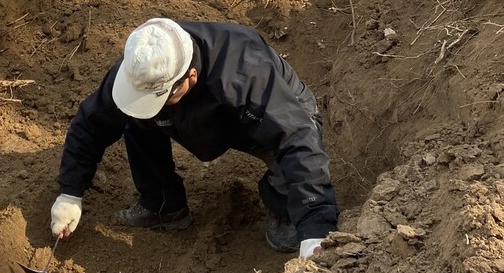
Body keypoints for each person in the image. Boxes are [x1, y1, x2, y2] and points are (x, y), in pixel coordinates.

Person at [50, 18, 338, 259]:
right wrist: (70, 192)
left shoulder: (245, 71)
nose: (155, 104)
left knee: (289, 156)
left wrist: (315, 230)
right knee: (137, 117)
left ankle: (285, 207)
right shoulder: (139, 70)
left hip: (265, 117)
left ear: (190, 76)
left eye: (163, 98)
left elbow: (297, 137)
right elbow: (91, 123)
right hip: (203, 116)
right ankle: (163, 207)